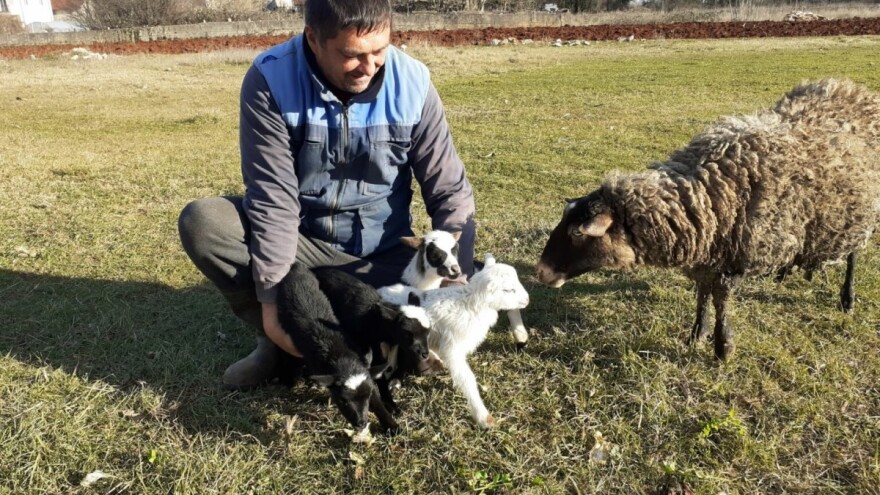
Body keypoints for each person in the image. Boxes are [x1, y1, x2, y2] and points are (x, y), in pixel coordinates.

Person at [178, 0, 476, 390]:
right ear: (313, 39)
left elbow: (450, 191)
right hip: (304, 252)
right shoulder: (270, 81)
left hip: (386, 261)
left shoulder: (414, 84)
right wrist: (273, 308)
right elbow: (273, 197)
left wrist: (454, 293)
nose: (370, 68)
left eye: (380, 51)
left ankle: (358, 336)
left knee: (400, 306)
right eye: (352, 55)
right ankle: (278, 343)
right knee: (206, 222)